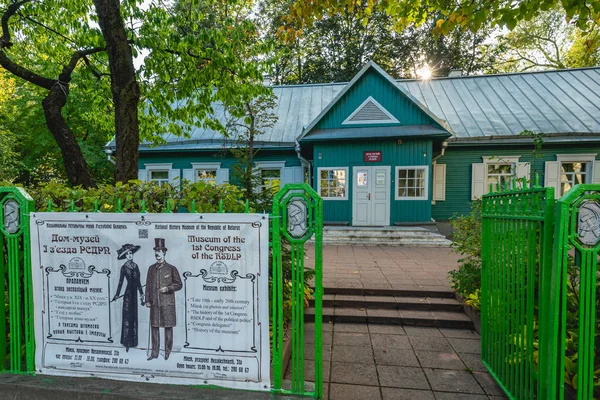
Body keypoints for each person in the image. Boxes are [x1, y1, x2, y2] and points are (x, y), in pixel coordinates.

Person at [145, 238, 182, 361]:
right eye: (156, 251)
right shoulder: (151, 269)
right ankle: (154, 353)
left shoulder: (171, 268)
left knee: (168, 328)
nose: (157, 253)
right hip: (155, 303)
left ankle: (167, 352)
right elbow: (148, 285)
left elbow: (179, 284)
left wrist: (167, 289)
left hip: (167, 304)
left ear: (164, 253)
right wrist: (147, 300)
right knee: (154, 328)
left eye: (160, 251)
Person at [112, 244, 144, 352]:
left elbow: (139, 281)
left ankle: (133, 341)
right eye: (128, 254)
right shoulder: (123, 268)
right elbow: (120, 282)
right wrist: (117, 294)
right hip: (127, 295)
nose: (130, 255)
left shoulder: (136, 266)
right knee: (127, 319)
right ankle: (126, 342)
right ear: (125, 256)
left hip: (134, 295)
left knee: (134, 318)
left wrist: (141, 293)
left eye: (131, 253)